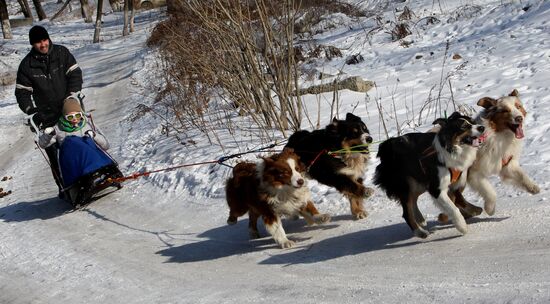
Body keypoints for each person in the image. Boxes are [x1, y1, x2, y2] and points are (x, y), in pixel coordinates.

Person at [15, 25, 83, 196]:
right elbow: (22, 92)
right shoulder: (26, 66)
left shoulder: (61, 53)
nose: (43, 44)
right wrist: (31, 110)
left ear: (48, 38)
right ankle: (65, 187)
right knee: (54, 153)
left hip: (68, 109)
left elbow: (75, 74)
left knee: (79, 141)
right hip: (46, 115)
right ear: (32, 44)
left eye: (44, 40)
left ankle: (88, 174)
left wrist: (72, 96)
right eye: (38, 42)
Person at [39, 96, 111, 189]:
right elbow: (43, 144)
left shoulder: (87, 124)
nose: (74, 119)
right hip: (73, 161)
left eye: (77, 115)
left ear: (81, 114)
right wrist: (48, 135)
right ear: (64, 117)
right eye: (70, 117)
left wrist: (94, 135)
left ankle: (102, 171)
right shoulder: (58, 128)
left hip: (91, 157)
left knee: (86, 143)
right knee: (71, 142)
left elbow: (106, 145)